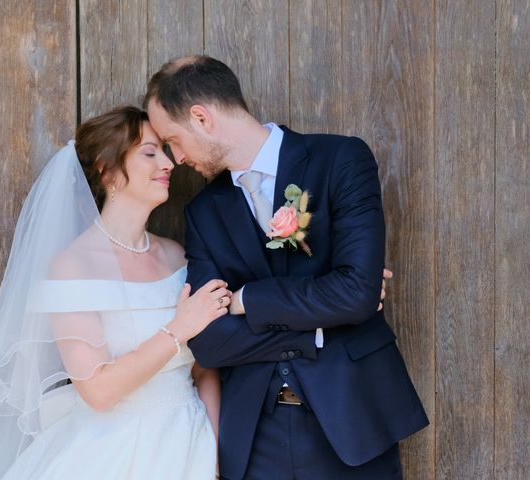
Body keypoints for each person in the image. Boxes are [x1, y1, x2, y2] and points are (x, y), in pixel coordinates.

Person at [145, 55, 429, 480]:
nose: (176, 158)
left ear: (201, 118)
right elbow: (209, 342)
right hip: (255, 438)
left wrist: (245, 300)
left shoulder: (341, 160)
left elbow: (356, 292)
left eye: (173, 139)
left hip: (353, 423)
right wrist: (318, 328)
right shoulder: (204, 211)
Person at [0, 107, 227, 479]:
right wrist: (178, 330)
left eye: (165, 151)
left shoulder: (178, 255)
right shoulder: (73, 267)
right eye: (149, 153)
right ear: (107, 169)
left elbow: (205, 368)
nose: (168, 164)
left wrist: (213, 453)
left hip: (191, 438)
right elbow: (98, 392)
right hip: (114, 449)